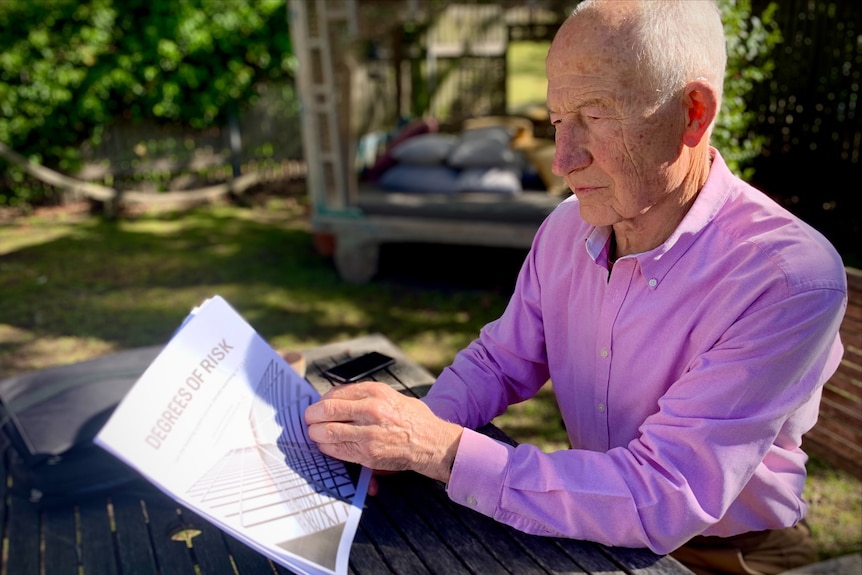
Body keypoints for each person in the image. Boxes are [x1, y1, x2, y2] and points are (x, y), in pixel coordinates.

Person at [304, 1, 848, 573]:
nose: (563, 159)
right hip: (591, 528)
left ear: (692, 113)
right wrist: (413, 434)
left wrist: (441, 449)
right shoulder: (568, 227)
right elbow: (501, 359)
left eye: (595, 113)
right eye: (558, 119)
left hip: (730, 554)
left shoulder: (785, 277)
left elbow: (663, 494)